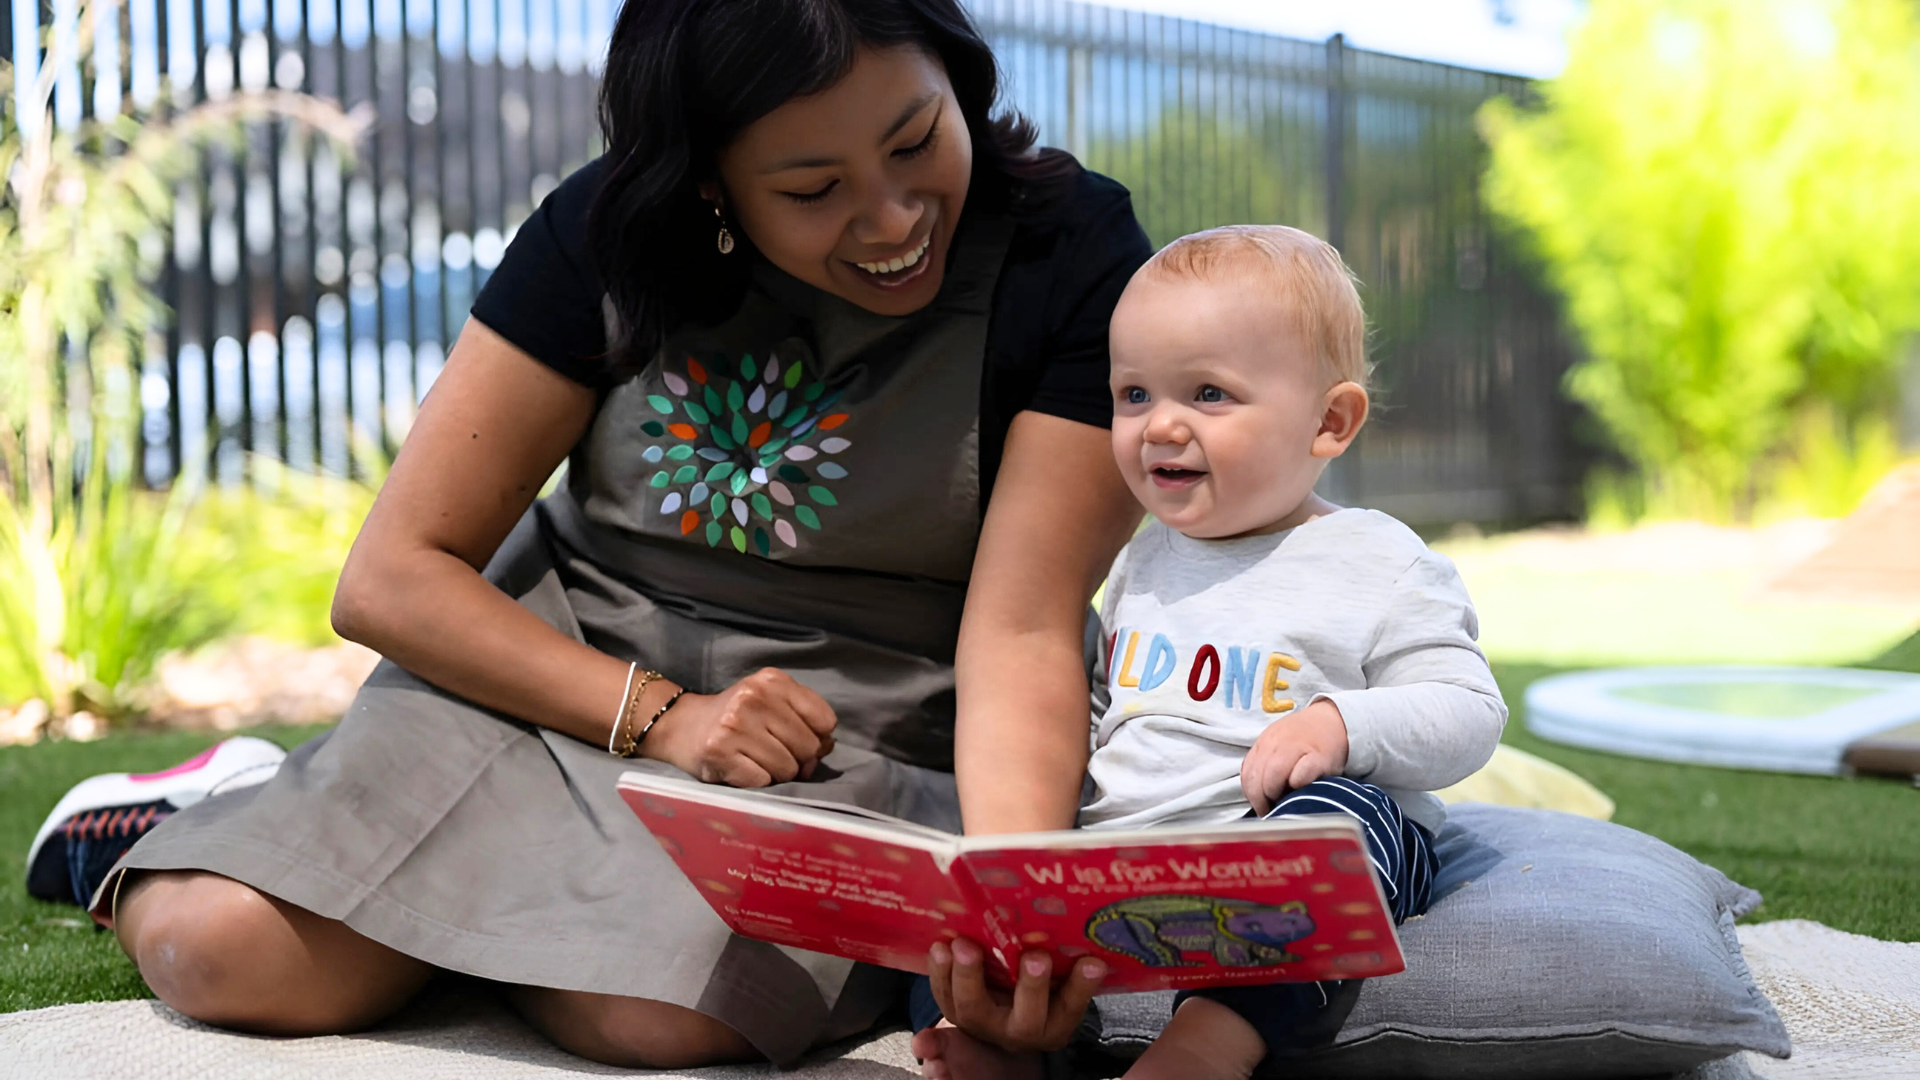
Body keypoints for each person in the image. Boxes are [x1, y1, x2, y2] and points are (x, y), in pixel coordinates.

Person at [36, 0, 1150, 1067]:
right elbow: (389, 579)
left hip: (856, 729)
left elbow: (1024, 628)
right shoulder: (601, 232)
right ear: (712, 183)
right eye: (813, 189)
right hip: (561, 681)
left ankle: (403, 908)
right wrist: (659, 718)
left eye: (917, 142)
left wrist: (1016, 907)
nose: (894, 218)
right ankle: (215, 816)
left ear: (955, 76)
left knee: (657, 1016)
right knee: (222, 952)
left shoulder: (1071, 247)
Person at [913, 226, 1509, 1080]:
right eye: (1132, 394)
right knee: (961, 878)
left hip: (1267, 843)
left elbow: (1470, 712)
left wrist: (1342, 723)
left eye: (1208, 394)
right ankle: (1011, 1039)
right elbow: (1105, 713)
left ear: (1329, 422)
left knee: (1347, 821)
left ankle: (1207, 1044)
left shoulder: (1381, 561)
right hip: (1131, 861)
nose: (1161, 426)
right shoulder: (1139, 563)